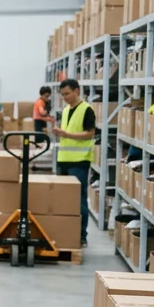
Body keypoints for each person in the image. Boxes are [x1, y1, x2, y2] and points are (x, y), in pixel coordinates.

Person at [54, 78, 96, 247]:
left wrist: (66, 134)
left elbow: (90, 133)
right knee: (62, 199)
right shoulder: (65, 110)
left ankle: (81, 235)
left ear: (76, 91)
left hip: (79, 161)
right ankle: (65, 232)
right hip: (64, 160)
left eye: (67, 94)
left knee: (79, 199)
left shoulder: (87, 110)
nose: (65, 97)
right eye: (62, 95)